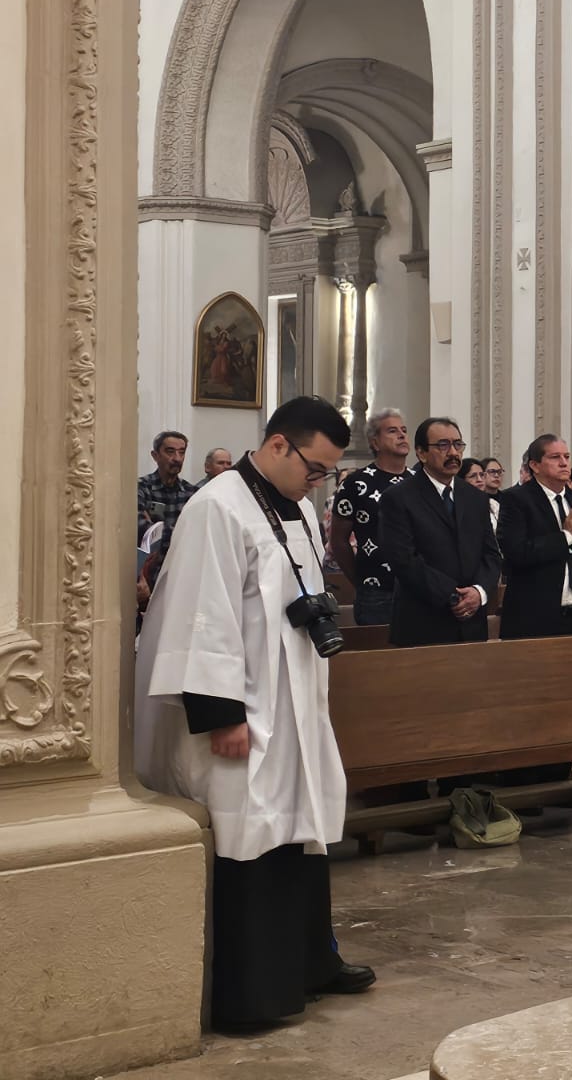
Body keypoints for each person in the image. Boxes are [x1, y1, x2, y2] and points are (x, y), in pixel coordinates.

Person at [134, 396, 373, 1029]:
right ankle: (256, 993)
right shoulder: (218, 507)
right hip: (244, 712)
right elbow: (201, 614)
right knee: (254, 834)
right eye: (314, 467)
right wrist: (222, 714)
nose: (317, 481)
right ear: (277, 446)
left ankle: (309, 964)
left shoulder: (290, 504)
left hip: (293, 697)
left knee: (303, 827)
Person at [378, 417, 501, 646]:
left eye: (457, 445)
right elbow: (403, 559)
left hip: (472, 624)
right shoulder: (399, 497)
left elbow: (491, 554)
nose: (453, 452)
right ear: (422, 453)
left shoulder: (475, 497)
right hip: (423, 622)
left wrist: (478, 592)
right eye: (443, 445)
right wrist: (452, 596)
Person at [497, 435, 572, 637]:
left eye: (567, 456)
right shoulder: (516, 499)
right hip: (532, 614)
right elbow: (517, 553)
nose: (564, 463)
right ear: (535, 465)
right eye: (555, 457)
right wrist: (566, 536)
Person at [328, 408, 412, 626]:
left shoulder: (419, 481)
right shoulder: (355, 483)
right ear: (375, 443)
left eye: (404, 430)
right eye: (392, 431)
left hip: (419, 589)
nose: (402, 435)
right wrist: (360, 581)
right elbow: (338, 540)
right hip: (376, 593)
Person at [136, 429, 198, 544]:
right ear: (155, 456)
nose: (177, 458)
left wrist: (159, 529)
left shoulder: (192, 492)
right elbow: (141, 529)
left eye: (182, 452)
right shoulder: (141, 487)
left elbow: (198, 532)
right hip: (150, 560)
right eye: (170, 452)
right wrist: (181, 532)